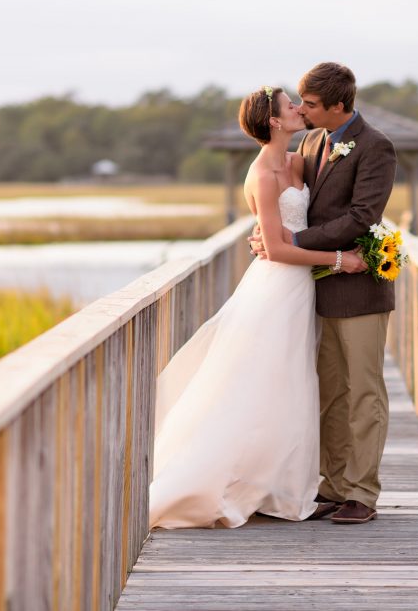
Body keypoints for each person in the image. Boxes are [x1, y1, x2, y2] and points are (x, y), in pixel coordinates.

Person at [148, 84, 365, 529]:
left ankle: (284, 487)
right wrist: (342, 260)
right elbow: (278, 250)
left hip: (303, 289)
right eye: (292, 106)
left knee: (294, 383)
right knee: (261, 381)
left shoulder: (299, 160)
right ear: (274, 121)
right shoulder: (261, 175)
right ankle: (227, 481)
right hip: (275, 288)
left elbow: (309, 216)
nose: (300, 110)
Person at [251, 62, 398, 524]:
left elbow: (361, 217)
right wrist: (267, 232)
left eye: (311, 105)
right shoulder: (312, 141)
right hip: (313, 289)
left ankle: (361, 492)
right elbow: (274, 182)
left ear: (339, 105)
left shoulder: (377, 148)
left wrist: (295, 243)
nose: (303, 110)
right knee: (330, 391)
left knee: (363, 392)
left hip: (358, 285)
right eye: (300, 104)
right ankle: (332, 486)